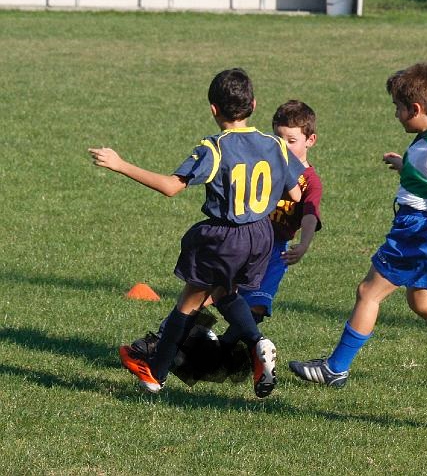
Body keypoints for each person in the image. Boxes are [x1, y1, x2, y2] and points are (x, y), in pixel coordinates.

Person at [89, 68, 305, 398]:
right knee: (224, 293)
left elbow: (170, 187)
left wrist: (120, 164)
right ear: (254, 105)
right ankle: (256, 342)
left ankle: (155, 375)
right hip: (261, 236)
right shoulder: (274, 144)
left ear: (213, 109)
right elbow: (295, 195)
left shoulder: (214, 148)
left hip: (225, 237)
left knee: (187, 304)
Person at [289, 61, 427, 389]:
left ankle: (335, 369)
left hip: (419, 232)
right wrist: (406, 166)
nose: (396, 114)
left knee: (368, 292)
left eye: (398, 107)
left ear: (416, 109)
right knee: (421, 301)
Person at [129, 100, 323, 384]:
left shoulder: (284, 163)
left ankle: (191, 360)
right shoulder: (270, 151)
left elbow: (307, 211)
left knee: (225, 301)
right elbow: (293, 194)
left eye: (291, 140)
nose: (284, 143)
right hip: (258, 238)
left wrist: (304, 243)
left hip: (262, 248)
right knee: (217, 295)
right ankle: (184, 349)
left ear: (310, 140)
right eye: (280, 137)